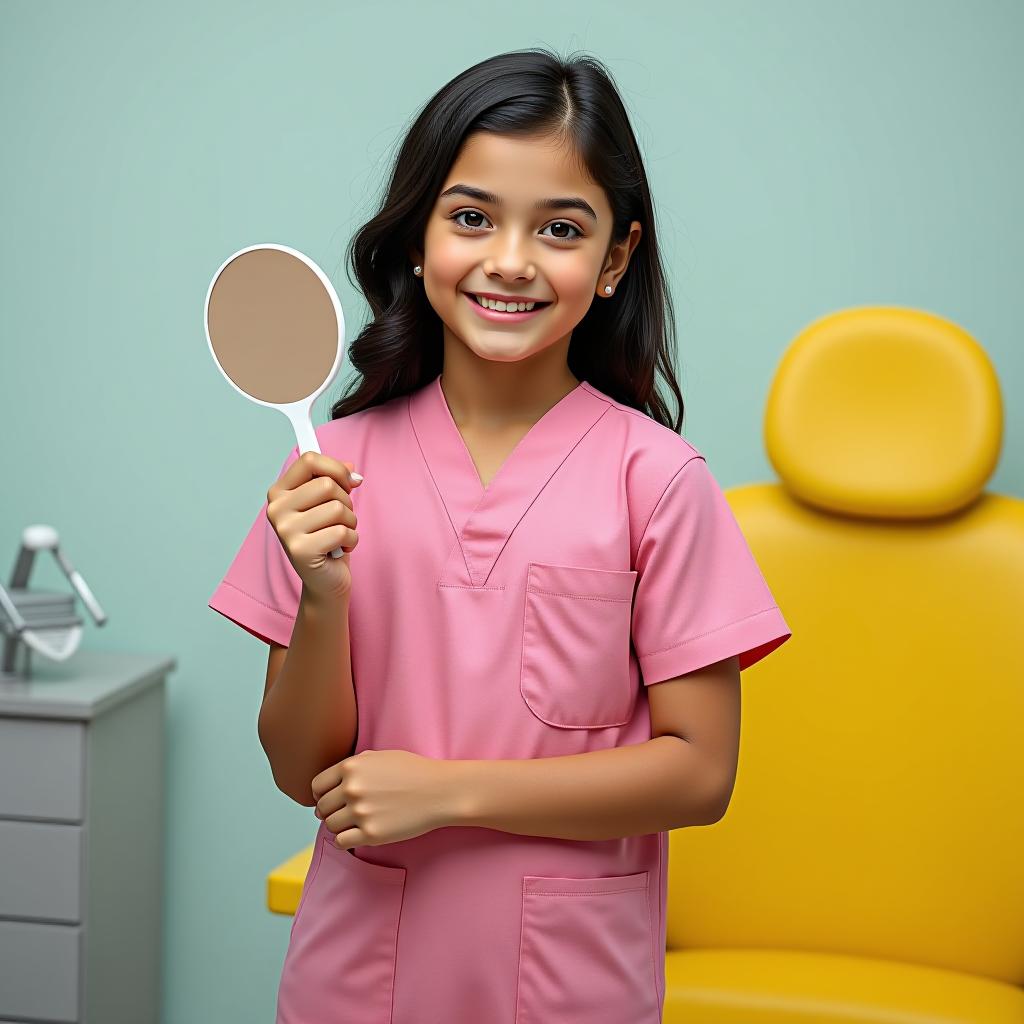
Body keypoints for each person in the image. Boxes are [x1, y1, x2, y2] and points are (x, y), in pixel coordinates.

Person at [208, 46, 792, 1024]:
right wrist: (323, 595)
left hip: (565, 987)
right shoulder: (324, 473)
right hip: (358, 978)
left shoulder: (657, 482)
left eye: (560, 228)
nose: (510, 259)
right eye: (471, 216)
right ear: (414, 239)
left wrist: (450, 791)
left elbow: (700, 771)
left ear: (613, 259)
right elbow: (298, 770)